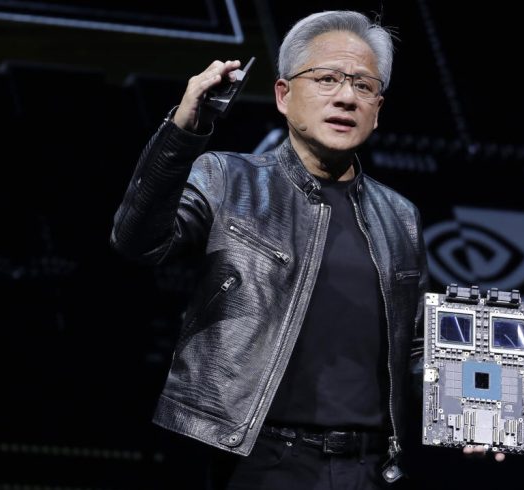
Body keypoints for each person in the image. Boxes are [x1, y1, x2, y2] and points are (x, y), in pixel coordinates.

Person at [111, 10, 497, 489]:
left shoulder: (400, 216)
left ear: (378, 109)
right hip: (254, 459)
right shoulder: (228, 179)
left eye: (363, 85)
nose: (346, 97)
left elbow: (415, 345)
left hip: (368, 468)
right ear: (283, 95)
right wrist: (183, 131)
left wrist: (475, 410)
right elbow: (137, 241)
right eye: (327, 79)